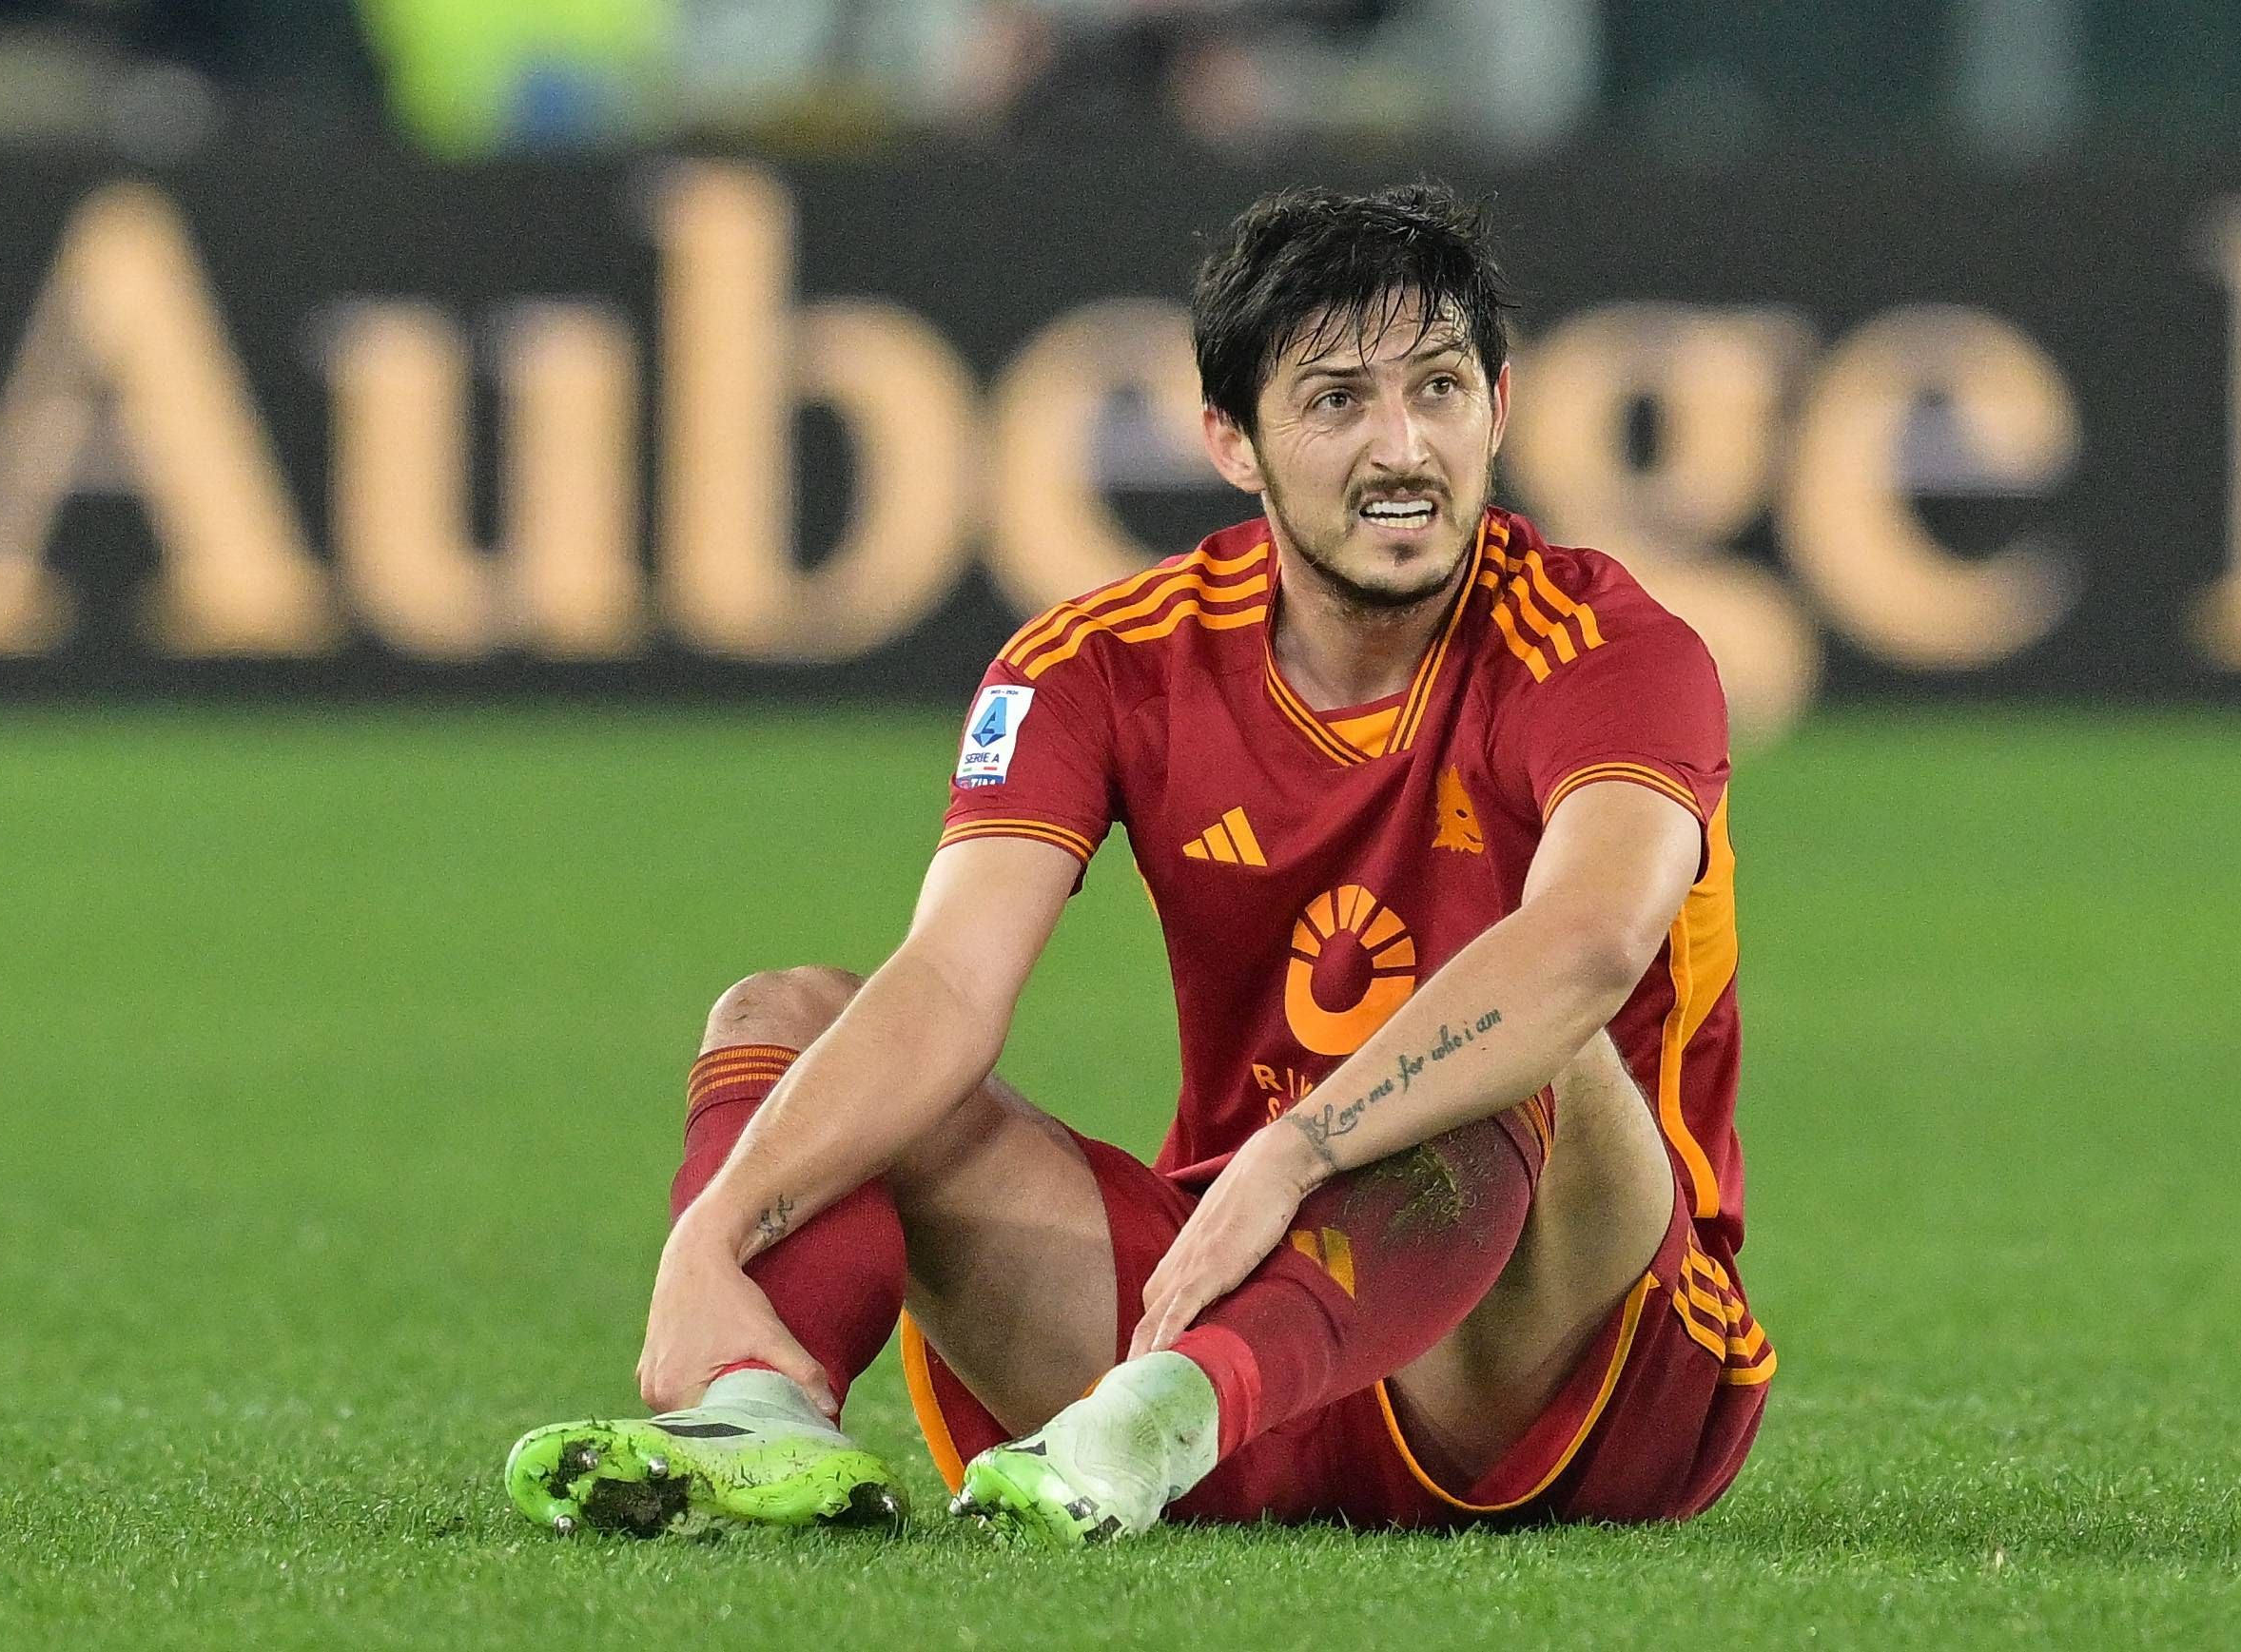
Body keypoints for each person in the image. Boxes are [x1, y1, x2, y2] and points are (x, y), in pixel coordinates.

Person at [505, 182, 1772, 1545]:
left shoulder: (1612, 650)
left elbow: (1586, 944)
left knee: (1524, 1041)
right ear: (1233, 442)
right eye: (1336, 400)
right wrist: (714, 1229)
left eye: (1439, 389)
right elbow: (945, 982)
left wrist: (1297, 1149)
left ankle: (1172, 1407)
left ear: (1500, 410)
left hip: (1561, 1367)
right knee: (784, 1017)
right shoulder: (1104, 659)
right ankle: (753, 1413)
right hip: (1212, 1302)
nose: (1402, 446)